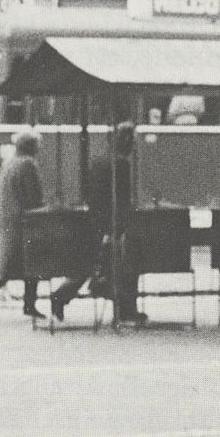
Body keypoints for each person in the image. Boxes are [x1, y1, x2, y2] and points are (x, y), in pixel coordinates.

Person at [50, 122, 144, 327]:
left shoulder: (99, 160)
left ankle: (61, 295)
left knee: (89, 263)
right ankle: (126, 310)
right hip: (111, 222)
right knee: (126, 262)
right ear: (128, 142)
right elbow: (122, 199)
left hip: (94, 219)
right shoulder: (121, 164)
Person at [0, 130, 45, 319]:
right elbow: (33, 196)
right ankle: (25, 303)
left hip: (9, 219)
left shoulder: (10, 163)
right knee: (31, 264)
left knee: (10, 265)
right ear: (30, 146)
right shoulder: (27, 164)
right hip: (24, 222)